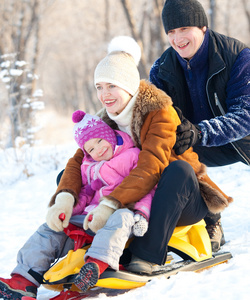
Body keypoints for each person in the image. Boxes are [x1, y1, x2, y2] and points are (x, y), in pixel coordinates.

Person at [47, 36, 233, 278]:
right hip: (134, 200)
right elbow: (78, 160)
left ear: (128, 85)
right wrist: (64, 197)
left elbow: (151, 166)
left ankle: (147, 254)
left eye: (112, 85)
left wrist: (110, 203)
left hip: (177, 198)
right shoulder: (105, 117)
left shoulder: (158, 111)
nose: (105, 95)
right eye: (99, 87)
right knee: (68, 177)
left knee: (178, 171)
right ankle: (94, 242)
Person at [0, 109, 153, 299]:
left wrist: (142, 213)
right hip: (92, 218)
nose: (98, 150)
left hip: (122, 214)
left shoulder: (132, 156)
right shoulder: (90, 166)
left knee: (121, 217)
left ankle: (95, 266)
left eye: (99, 141)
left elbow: (146, 186)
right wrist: (68, 211)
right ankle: (23, 280)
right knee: (51, 229)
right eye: (90, 149)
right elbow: (88, 193)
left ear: (109, 135)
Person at [149, 0, 250, 251]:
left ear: (203, 26)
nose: (177, 38)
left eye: (184, 29)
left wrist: (202, 131)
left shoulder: (238, 56)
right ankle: (209, 219)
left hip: (242, 138)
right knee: (164, 148)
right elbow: (156, 121)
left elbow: (245, 114)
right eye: (171, 32)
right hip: (196, 145)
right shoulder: (162, 70)